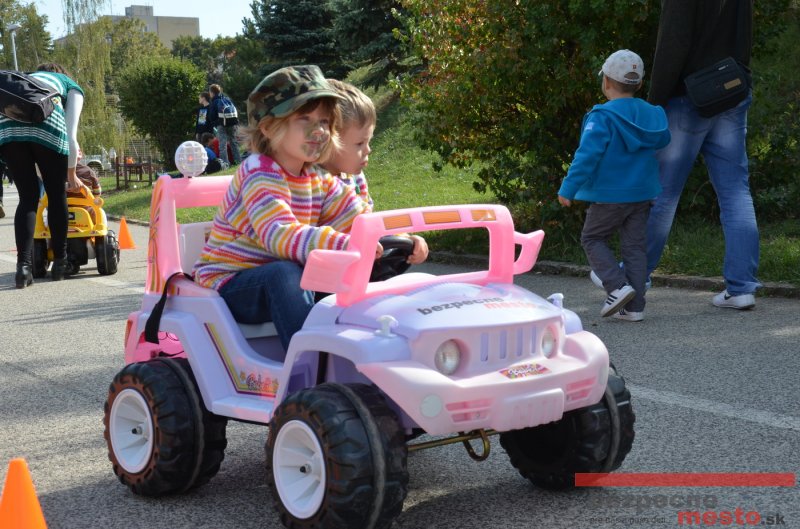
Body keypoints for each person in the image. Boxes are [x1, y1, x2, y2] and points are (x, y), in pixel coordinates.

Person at [193, 65, 374, 350]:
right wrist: (342, 242)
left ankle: (367, 347)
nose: (319, 130)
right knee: (285, 274)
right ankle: (309, 362)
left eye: (325, 121)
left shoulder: (316, 176)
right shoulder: (259, 172)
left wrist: (391, 238)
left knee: (356, 269)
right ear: (268, 127)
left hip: (287, 278)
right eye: (305, 119)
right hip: (233, 281)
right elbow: (280, 234)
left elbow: (355, 216)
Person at [646, 0, 759, 310]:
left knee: (662, 193)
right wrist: (741, 76)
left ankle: (632, 278)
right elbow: (744, 35)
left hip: (688, 96)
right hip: (731, 88)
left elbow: (673, 43)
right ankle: (741, 288)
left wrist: (654, 104)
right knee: (735, 192)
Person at [558, 50, 670, 321]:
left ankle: (617, 286)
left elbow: (587, 155)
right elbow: (663, 140)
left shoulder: (602, 116)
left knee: (592, 238)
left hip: (609, 196)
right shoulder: (651, 114)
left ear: (606, 81)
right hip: (642, 194)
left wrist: (568, 187)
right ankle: (634, 308)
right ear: (639, 84)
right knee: (634, 248)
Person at [318, 78, 428, 264]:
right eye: (359, 143)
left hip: (360, 264)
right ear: (328, 142)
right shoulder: (313, 183)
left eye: (368, 141)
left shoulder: (355, 178)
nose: (368, 150)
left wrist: (405, 239)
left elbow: (370, 222)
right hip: (325, 268)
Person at [0, 63, 84, 288]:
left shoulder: (25, 80)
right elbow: (71, 138)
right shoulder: (69, 85)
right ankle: (60, 263)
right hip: (47, 122)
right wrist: (71, 175)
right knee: (56, 196)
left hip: (8, 127)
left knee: (27, 198)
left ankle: (23, 268)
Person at [207, 83, 242, 166]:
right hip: (232, 123)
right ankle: (238, 161)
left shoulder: (214, 101)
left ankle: (226, 163)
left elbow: (212, 116)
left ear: (212, 92)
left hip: (221, 125)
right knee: (234, 142)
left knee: (222, 144)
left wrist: (214, 123)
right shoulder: (227, 99)